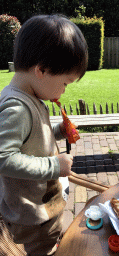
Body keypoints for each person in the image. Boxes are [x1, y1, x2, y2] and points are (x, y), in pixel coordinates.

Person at [0, 14, 88, 255]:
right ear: (41, 70)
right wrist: (53, 166)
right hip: (32, 216)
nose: (64, 90)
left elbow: (31, 141)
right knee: (44, 249)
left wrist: (59, 131)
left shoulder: (30, 96)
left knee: (53, 239)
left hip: (41, 208)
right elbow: (4, 158)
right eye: (66, 83)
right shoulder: (17, 108)